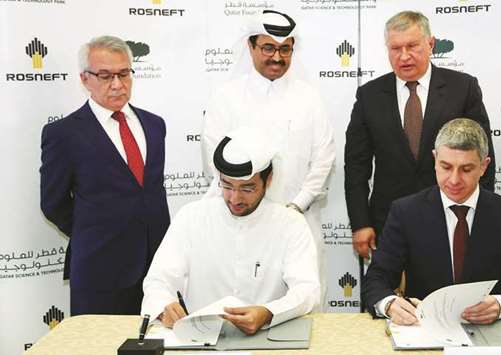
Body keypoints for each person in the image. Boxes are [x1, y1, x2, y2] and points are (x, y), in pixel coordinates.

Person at [201, 10, 335, 306]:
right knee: (243, 308)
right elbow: (215, 160)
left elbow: (324, 156)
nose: (277, 56)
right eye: (268, 48)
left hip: (299, 220)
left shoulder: (309, 97)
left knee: (305, 305)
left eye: (285, 48)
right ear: (250, 47)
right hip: (241, 224)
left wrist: (296, 207)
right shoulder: (226, 97)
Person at [364, 118, 501, 325]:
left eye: (466, 169)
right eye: (446, 167)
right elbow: (376, 280)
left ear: (484, 166)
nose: (454, 180)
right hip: (424, 329)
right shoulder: (405, 212)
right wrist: (390, 304)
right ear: (435, 159)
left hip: (487, 333)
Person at [345, 11, 496, 259]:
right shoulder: (369, 95)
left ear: (430, 44)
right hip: (389, 222)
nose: (404, 56)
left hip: (451, 217)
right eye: (395, 48)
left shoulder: (463, 88)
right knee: (392, 296)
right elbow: (356, 165)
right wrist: (360, 222)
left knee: (449, 296)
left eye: (412, 46)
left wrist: (479, 216)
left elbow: (484, 157)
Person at [143, 127, 320, 335]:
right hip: (202, 340)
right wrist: (164, 305)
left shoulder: (291, 224)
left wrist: (268, 312)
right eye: (227, 186)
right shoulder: (191, 217)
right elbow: (158, 280)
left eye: (247, 189)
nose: (235, 199)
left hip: (268, 338)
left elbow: (307, 290)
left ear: (268, 180)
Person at [40, 35, 170, 315]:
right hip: (100, 272)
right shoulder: (64, 134)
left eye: (124, 73)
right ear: (85, 79)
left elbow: (152, 192)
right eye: (105, 75)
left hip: (159, 272)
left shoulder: (155, 125)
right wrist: (96, 231)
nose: (117, 84)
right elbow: (53, 203)